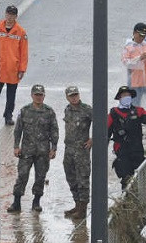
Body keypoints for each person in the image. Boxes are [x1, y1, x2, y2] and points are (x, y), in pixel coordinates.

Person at [9, 85, 58, 214]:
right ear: (32, 95)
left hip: (43, 152)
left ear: (44, 96)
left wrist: (54, 148)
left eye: (41, 95)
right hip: (26, 151)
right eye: (36, 94)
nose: (38, 97)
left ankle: (36, 202)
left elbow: (54, 131)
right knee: (22, 176)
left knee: (40, 177)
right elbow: (18, 130)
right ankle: (16, 202)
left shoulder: (49, 112)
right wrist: (16, 146)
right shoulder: (25, 111)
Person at [107, 85, 146, 190]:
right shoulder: (113, 113)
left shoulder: (139, 111)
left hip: (137, 149)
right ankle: (127, 200)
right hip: (121, 150)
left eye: (128, 95)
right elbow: (105, 133)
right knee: (126, 178)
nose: (127, 97)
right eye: (124, 95)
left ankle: (140, 200)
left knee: (140, 175)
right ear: (119, 98)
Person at [60, 86, 93, 219]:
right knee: (71, 177)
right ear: (67, 97)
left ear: (79, 95)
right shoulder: (67, 109)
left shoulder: (87, 109)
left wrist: (93, 139)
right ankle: (77, 205)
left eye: (76, 95)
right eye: (71, 96)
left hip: (81, 151)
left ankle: (83, 210)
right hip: (69, 150)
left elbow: (102, 123)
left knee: (83, 179)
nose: (74, 98)